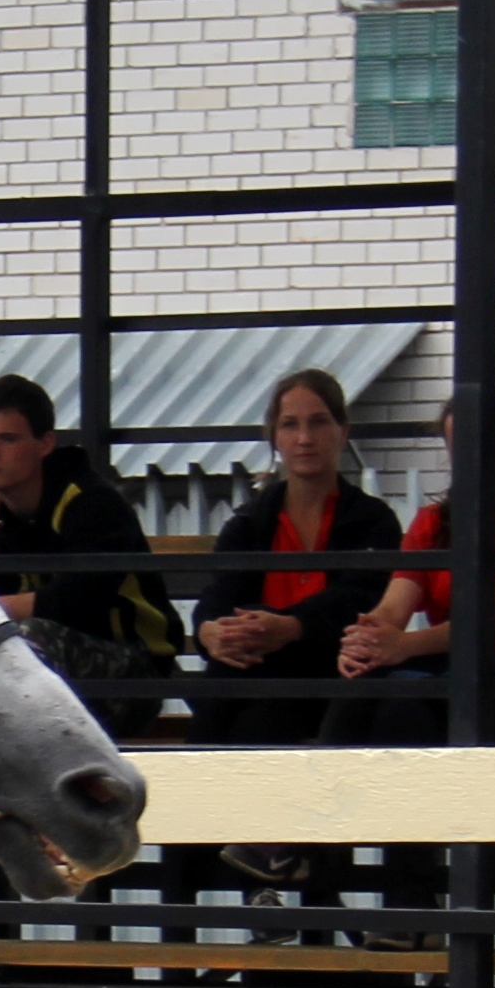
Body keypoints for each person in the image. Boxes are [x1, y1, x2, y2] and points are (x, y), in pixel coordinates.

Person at [199, 367, 400, 910]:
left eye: (318, 423)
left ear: (342, 430)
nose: (304, 438)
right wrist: (211, 632)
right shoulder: (248, 521)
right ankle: (275, 884)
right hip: (269, 683)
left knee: (274, 719)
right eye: (290, 425)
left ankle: (281, 883)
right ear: (274, 436)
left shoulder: (373, 520)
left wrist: (291, 627)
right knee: (250, 709)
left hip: (335, 679)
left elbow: (362, 598)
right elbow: (218, 599)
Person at [324, 394, 495, 743]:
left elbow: (489, 619)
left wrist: (403, 645)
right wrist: (365, 641)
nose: (473, 454)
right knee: (360, 685)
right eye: (459, 445)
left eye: (485, 440)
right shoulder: (432, 522)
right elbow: (393, 607)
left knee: (405, 707)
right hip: (442, 667)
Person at [0, 374, 177, 714]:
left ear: (45, 444)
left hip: (131, 672)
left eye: (8, 439)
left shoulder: (93, 503)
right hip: (36, 686)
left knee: (28, 638)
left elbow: (80, 601)